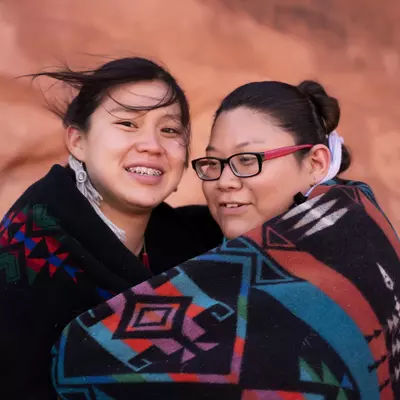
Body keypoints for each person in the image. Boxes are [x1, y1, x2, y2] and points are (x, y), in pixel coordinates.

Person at [52, 80, 400, 399]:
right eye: (214, 163)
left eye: (248, 160)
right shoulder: (201, 241)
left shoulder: (358, 250)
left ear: (315, 162)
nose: (225, 181)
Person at [0, 57, 222, 399]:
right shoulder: (30, 247)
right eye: (127, 123)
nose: (152, 145)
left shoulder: (194, 244)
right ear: (77, 142)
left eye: (170, 130)